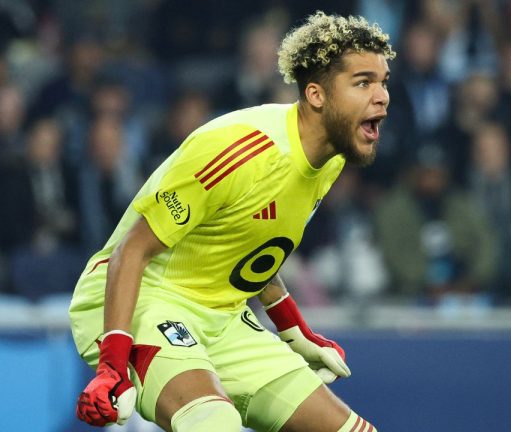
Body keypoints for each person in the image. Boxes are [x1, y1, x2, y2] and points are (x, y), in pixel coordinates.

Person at [69, 11, 394, 432]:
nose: (382, 96)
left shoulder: (328, 159)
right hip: (142, 299)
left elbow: (252, 246)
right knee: (214, 423)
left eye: (383, 82)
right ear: (316, 94)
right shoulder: (239, 150)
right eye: (363, 82)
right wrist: (112, 366)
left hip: (221, 314)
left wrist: (293, 327)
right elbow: (131, 251)